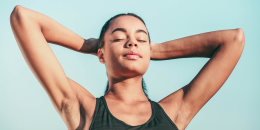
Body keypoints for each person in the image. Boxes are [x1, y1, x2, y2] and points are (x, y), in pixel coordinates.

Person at [10, 5, 245, 130]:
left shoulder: (175, 111)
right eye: (119, 38)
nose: (132, 42)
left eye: (141, 39)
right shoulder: (83, 108)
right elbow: (23, 18)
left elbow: (233, 40)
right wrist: (90, 45)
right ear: (102, 54)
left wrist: (157, 50)